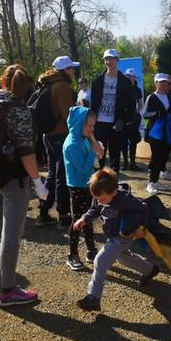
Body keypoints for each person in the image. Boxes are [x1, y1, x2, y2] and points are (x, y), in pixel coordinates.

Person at [0, 64, 49, 307]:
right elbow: (26, 152)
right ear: (26, 88)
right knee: (11, 234)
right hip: (13, 179)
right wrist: (38, 182)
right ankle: (8, 290)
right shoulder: (19, 110)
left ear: (2, 82)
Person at [76, 169, 159, 311]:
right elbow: (95, 209)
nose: (99, 201)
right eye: (96, 198)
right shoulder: (100, 194)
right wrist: (84, 218)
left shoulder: (124, 199)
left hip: (122, 237)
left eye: (102, 199)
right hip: (112, 235)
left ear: (114, 192)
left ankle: (93, 297)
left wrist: (141, 227)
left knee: (100, 261)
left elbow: (144, 208)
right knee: (123, 258)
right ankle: (150, 269)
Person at [35, 55, 79, 227]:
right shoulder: (62, 86)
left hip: (48, 136)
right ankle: (63, 214)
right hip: (61, 135)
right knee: (62, 175)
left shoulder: (48, 83)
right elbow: (68, 116)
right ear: (65, 70)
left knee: (53, 174)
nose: (73, 72)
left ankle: (44, 211)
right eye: (71, 68)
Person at [63, 105, 105, 270]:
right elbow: (82, 167)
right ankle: (72, 255)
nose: (92, 129)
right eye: (90, 126)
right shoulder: (72, 144)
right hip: (77, 187)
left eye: (93, 126)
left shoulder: (84, 138)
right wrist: (94, 153)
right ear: (79, 124)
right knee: (78, 221)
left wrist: (95, 147)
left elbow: (98, 157)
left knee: (88, 218)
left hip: (87, 185)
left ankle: (91, 250)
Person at [90, 49, 136, 174]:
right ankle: (97, 187)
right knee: (99, 156)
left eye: (112, 58)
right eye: (106, 59)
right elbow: (93, 105)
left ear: (117, 60)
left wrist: (124, 120)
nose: (109, 61)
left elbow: (132, 105)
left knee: (115, 157)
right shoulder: (97, 80)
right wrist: (91, 122)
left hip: (116, 124)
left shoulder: (125, 82)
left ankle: (113, 187)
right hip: (100, 123)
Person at [143, 73, 171, 194]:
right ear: (156, 83)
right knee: (156, 156)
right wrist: (157, 114)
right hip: (155, 132)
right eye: (160, 82)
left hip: (167, 132)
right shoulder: (151, 97)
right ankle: (150, 182)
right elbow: (145, 114)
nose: (163, 84)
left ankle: (156, 181)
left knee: (163, 155)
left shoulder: (168, 97)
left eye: (165, 82)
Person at [122, 69, 144, 171]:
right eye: (127, 76)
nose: (128, 77)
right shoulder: (122, 88)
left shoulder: (137, 90)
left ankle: (133, 163)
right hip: (123, 118)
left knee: (133, 141)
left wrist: (136, 110)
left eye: (130, 76)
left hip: (134, 118)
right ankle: (125, 163)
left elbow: (141, 104)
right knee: (123, 141)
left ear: (134, 77)